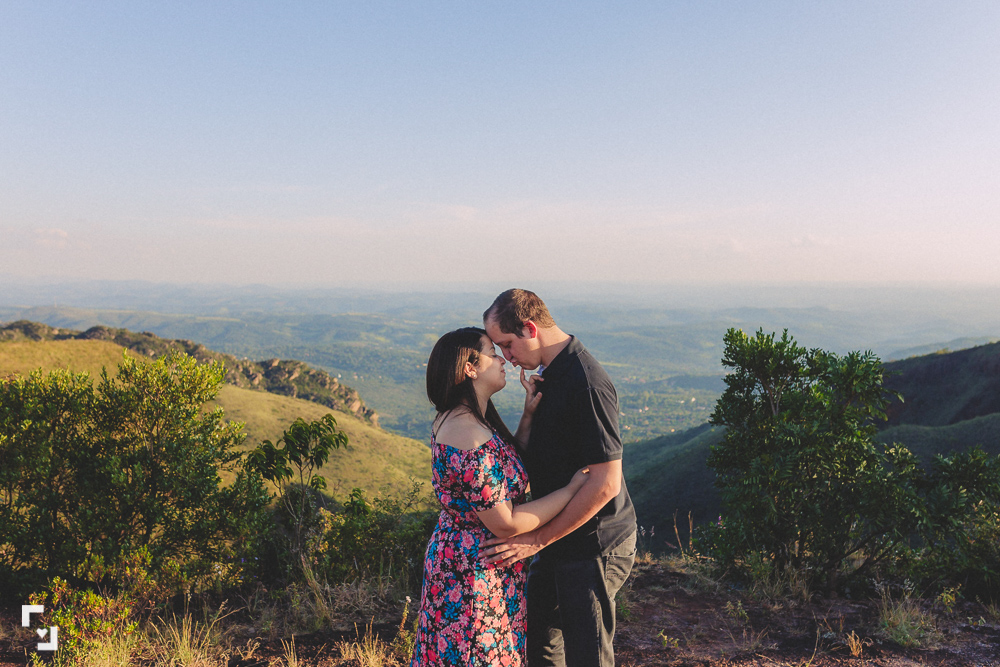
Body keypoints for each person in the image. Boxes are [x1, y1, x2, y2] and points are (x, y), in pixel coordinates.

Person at [411, 327, 591, 667]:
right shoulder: (466, 432)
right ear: (470, 368)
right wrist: (570, 491)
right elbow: (506, 522)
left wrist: (528, 416)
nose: (503, 361)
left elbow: (501, 472)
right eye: (493, 354)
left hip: (477, 564)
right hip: (471, 572)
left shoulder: (470, 419)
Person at [482, 289, 638, 667]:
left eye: (507, 344)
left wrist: (536, 540)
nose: (506, 357)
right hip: (558, 540)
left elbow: (606, 483)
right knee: (538, 643)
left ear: (530, 328)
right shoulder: (551, 376)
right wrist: (529, 415)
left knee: (587, 655)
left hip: (594, 543)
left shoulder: (586, 382)